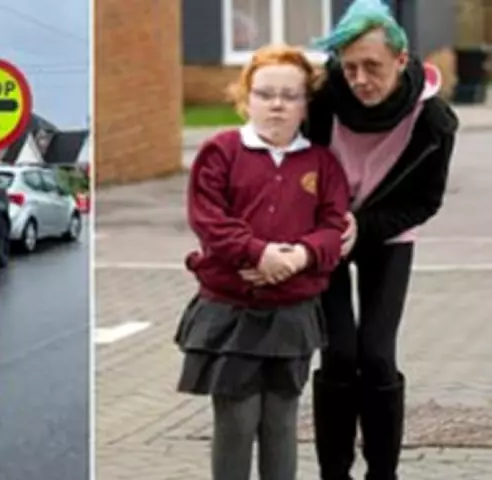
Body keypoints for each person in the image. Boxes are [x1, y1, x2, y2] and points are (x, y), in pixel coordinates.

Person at [174, 45, 350, 480]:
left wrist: (301, 256)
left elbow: (334, 225)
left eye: (290, 95)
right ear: (245, 97)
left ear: (306, 104)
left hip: (291, 314)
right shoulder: (220, 151)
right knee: (235, 422)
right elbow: (209, 219)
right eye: (265, 93)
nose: (277, 104)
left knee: (281, 423)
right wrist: (260, 254)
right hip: (232, 312)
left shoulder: (321, 162)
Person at [304, 0, 459, 478]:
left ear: (400, 58)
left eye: (372, 66)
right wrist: (328, 227)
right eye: (349, 67)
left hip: (388, 235)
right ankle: (334, 471)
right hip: (326, 235)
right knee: (339, 351)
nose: (360, 79)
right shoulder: (321, 102)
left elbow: (425, 202)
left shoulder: (433, 122)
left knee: (375, 352)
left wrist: (364, 227)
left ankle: (382, 472)